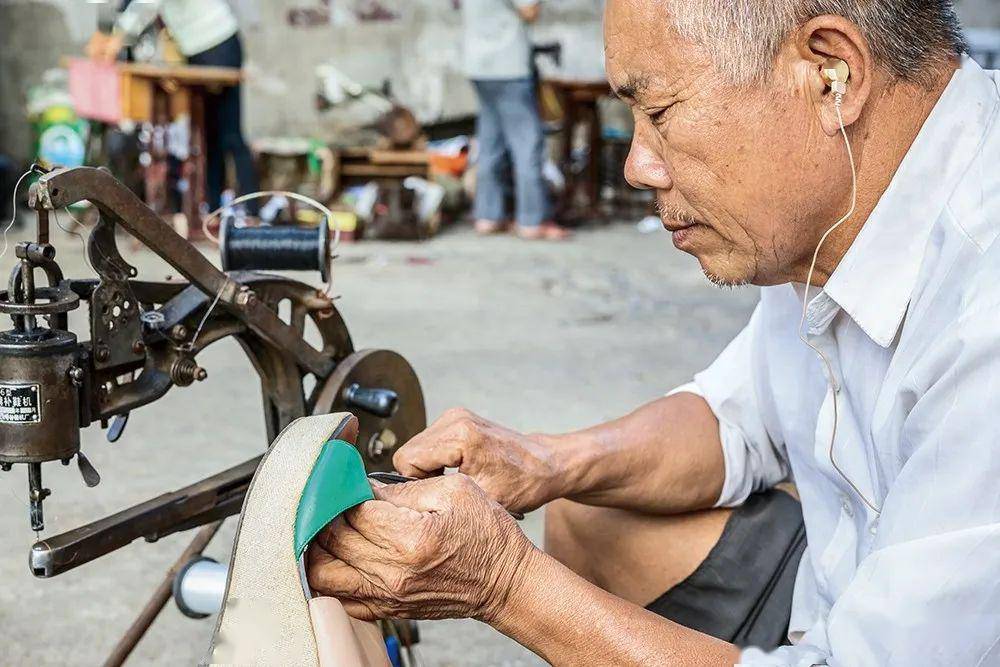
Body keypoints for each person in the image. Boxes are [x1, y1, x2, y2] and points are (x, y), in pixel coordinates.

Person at [307, 1, 1000, 665]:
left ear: (830, 72)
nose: (639, 164)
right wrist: (545, 461)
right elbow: (738, 418)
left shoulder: (983, 309)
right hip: (843, 586)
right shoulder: (833, 211)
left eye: (660, 111)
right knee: (583, 510)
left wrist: (501, 581)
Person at [94, 0, 261, 216]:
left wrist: (117, 39)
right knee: (209, 135)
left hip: (218, 44)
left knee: (230, 134)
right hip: (199, 50)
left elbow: (147, 4)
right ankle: (213, 209)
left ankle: (252, 211)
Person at [463, 0, 568, 240]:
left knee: (491, 143)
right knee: (527, 145)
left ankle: (488, 216)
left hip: (478, 65)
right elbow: (529, 10)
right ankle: (532, 220)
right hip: (508, 65)